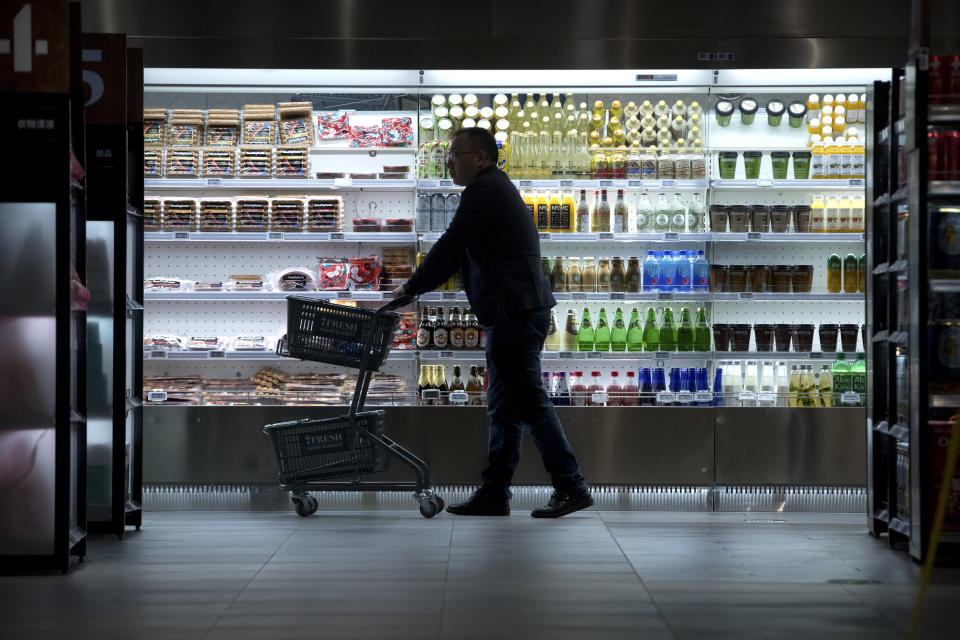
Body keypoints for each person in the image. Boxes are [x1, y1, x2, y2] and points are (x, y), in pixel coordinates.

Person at [394, 127, 593, 518]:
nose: (449, 160)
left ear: (481, 157)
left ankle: (571, 485)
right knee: (503, 406)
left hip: (515, 312)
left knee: (528, 401)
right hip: (510, 312)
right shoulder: (490, 188)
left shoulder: (486, 191)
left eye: (456, 153)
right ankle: (495, 492)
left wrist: (409, 289)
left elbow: (451, 245)